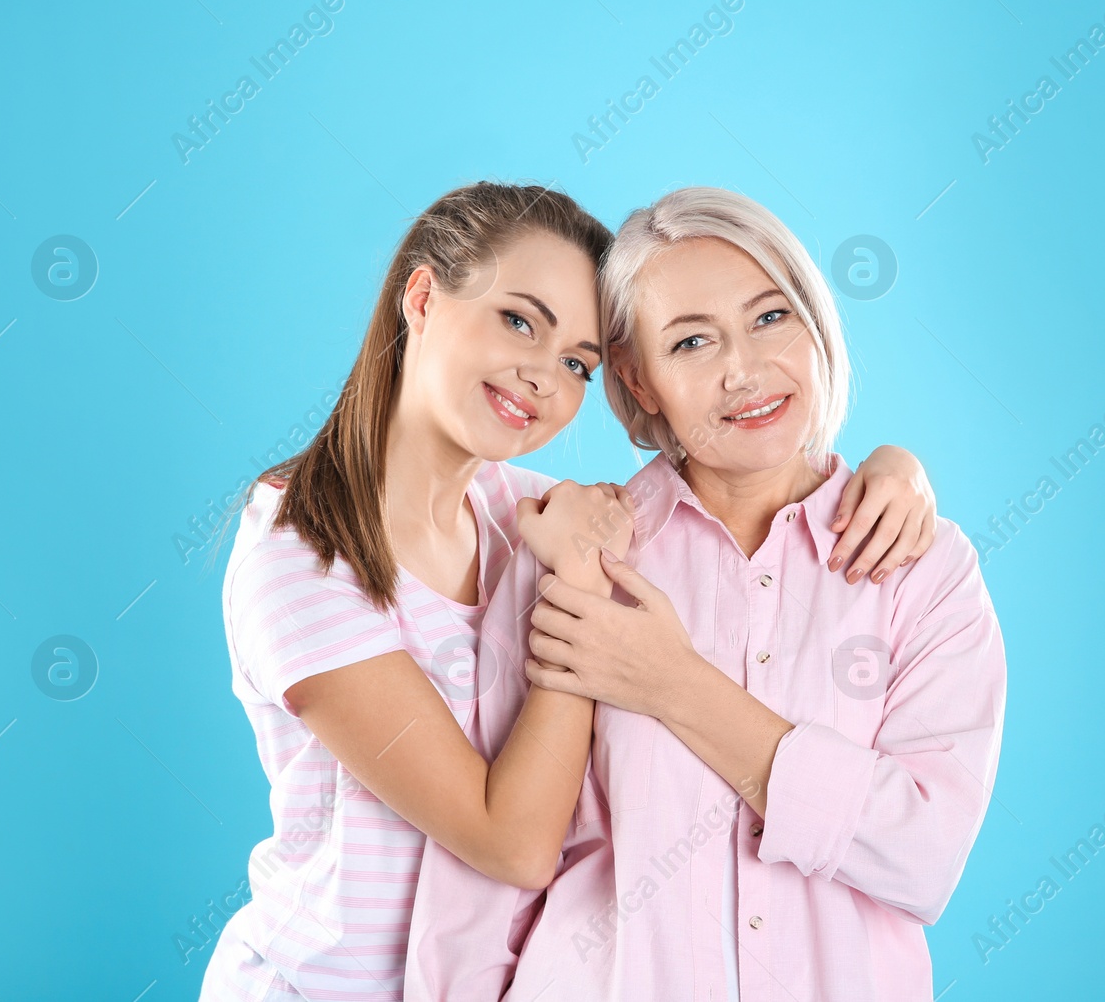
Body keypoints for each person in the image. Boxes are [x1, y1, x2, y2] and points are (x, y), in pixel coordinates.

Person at [201, 181, 943, 1000]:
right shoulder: (300, 554)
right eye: (518, 320)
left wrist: (892, 472)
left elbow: (737, 472)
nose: (543, 379)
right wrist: (581, 587)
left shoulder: (513, 510)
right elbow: (513, 842)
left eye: (577, 364)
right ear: (422, 296)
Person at [403, 187, 1006, 1001]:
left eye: (770, 318)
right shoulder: (572, 551)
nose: (746, 371)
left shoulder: (921, 566)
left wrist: (673, 683)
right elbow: (483, 882)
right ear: (639, 380)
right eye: (691, 342)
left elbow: (923, 853)